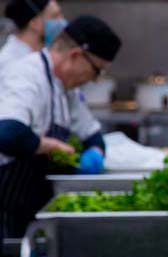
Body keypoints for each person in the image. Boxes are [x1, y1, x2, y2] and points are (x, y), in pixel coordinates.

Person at [0, 15, 120, 240]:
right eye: (96, 71)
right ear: (75, 56)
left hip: (31, 210)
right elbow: (7, 133)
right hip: (5, 210)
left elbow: (92, 135)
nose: (93, 80)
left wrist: (96, 152)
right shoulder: (26, 75)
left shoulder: (67, 89)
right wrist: (49, 146)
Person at [0, 0, 66, 70]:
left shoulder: (46, 54)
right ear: (34, 23)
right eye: (55, 16)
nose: (61, 20)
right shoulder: (10, 63)